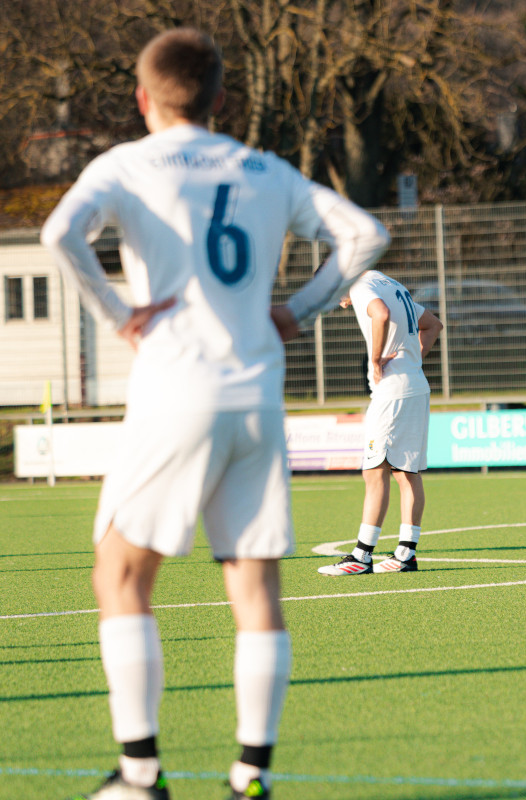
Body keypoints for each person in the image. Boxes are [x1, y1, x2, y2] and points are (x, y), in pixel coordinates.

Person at [39, 28, 389, 800]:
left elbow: (58, 233)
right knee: (254, 587)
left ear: (143, 98)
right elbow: (368, 234)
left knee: (119, 573)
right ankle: (250, 778)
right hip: (257, 397)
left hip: (176, 391)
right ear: (222, 99)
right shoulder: (264, 169)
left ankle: (139, 776)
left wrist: (118, 313)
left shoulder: (125, 164)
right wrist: (297, 311)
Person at [319, 270, 442, 576]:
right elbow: (433, 325)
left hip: (392, 393)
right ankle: (405, 554)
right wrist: (412, 361)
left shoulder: (362, 286)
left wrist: (375, 359)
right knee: (405, 472)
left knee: (374, 472)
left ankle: (361, 556)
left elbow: (380, 314)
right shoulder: (389, 283)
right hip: (415, 385)